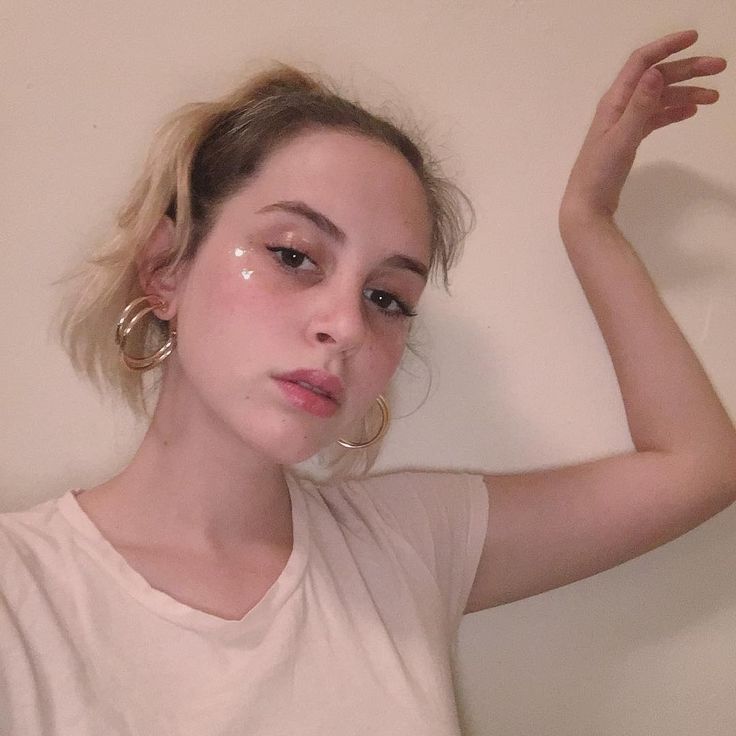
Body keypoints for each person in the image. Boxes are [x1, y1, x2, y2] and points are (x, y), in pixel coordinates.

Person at [1, 29, 734, 736]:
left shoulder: (405, 545)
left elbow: (700, 465)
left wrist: (589, 222)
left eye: (386, 297)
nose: (347, 325)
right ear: (166, 267)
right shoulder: (22, 591)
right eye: (294, 255)